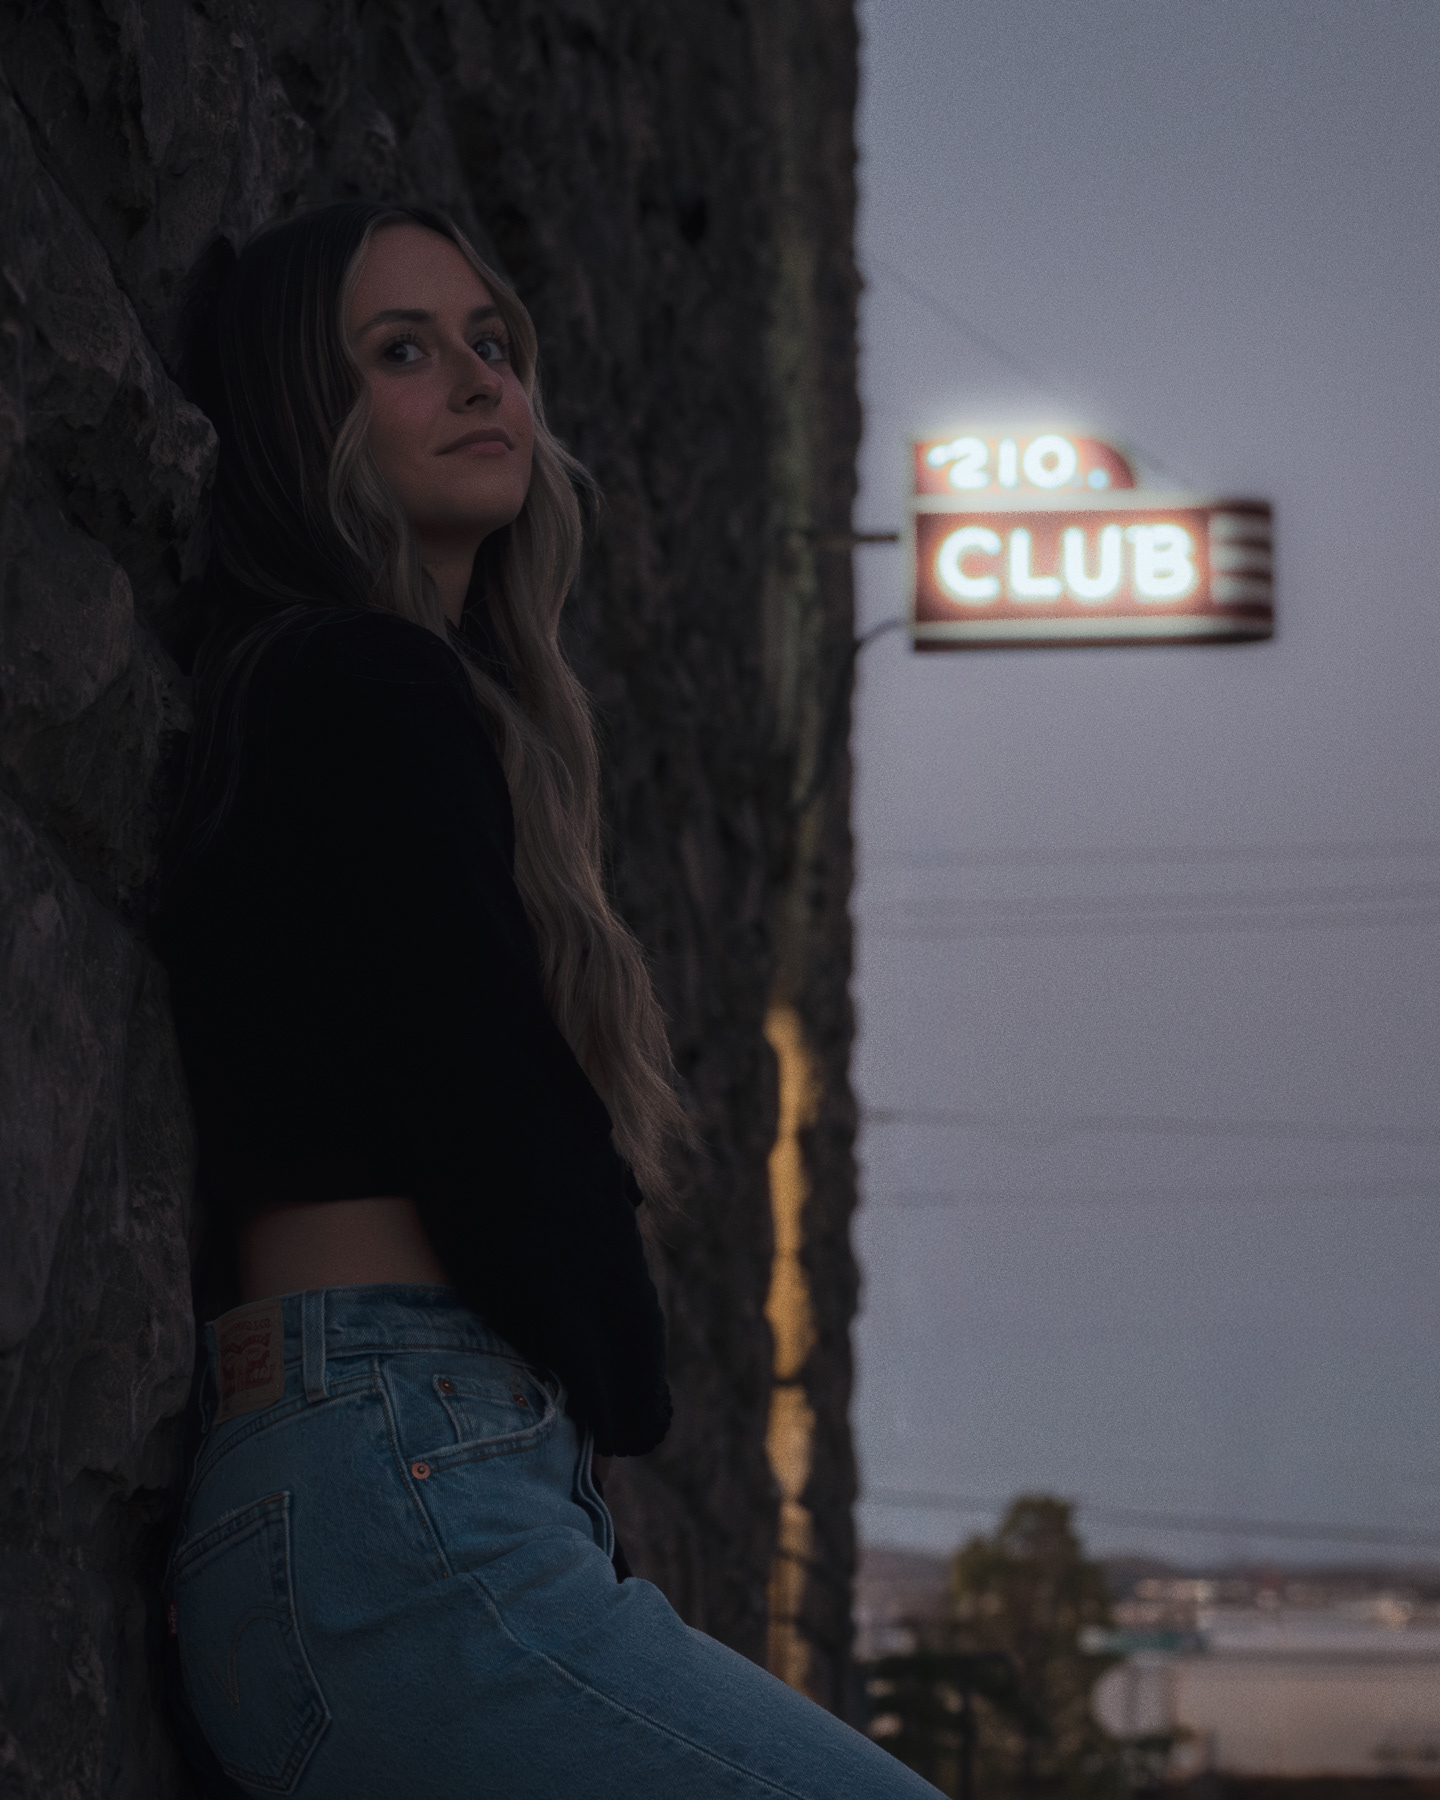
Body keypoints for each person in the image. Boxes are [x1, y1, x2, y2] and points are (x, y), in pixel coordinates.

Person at [154, 199, 940, 1799]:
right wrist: (625, 1365)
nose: (478, 382)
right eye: (402, 351)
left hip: (376, 1489)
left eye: (492, 344)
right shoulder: (365, 680)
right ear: (308, 412)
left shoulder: (365, 693)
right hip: (393, 1481)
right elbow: (489, 1091)